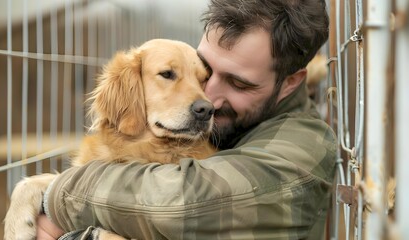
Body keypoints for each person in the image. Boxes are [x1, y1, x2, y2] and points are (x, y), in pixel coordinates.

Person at [38, 0, 336, 239]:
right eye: (205, 70)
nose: (209, 100)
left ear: (290, 82)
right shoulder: (219, 121)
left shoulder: (302, 148)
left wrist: (57, 196)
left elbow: (179, 206)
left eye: (239, 84)